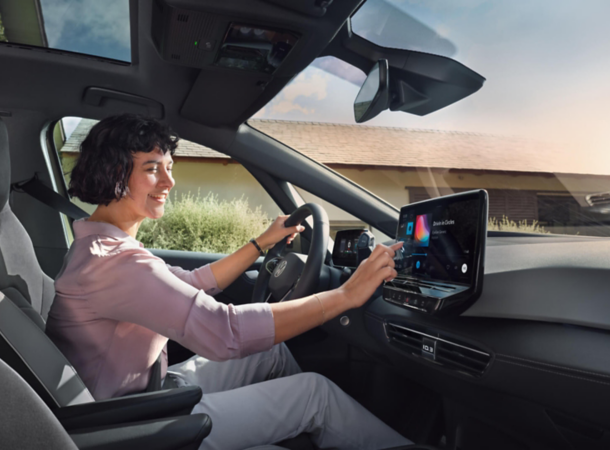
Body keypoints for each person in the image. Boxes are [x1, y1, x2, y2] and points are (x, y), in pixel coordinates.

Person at [46, 114, 411, 450]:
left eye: (170, 168)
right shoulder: (115, 263)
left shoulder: (104, 248)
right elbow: (227, 333)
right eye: (153, 168)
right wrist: (346, 294)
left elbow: (192, 283)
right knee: (313, 395)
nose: (170, 181)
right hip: (134, 427)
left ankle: (299, 434)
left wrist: (260, 244)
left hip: (145, 396)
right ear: (114, 171)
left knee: (271, 351)